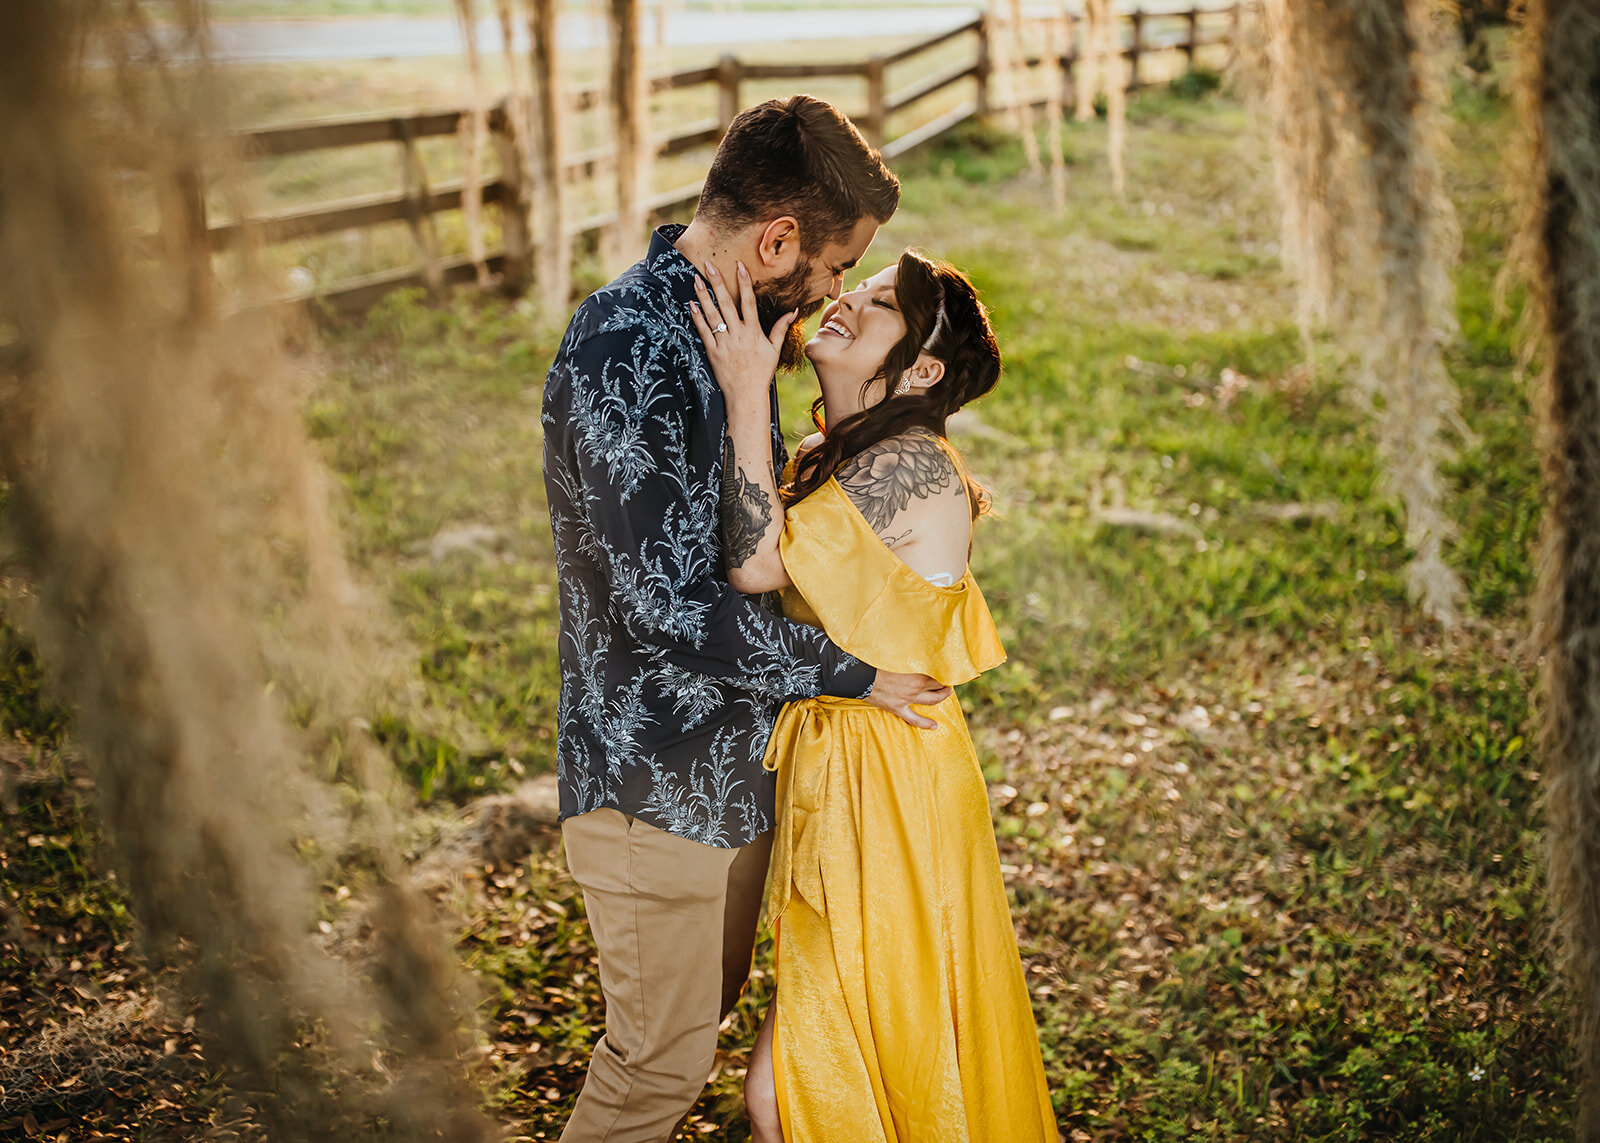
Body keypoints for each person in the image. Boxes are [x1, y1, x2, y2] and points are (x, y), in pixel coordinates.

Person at [541, 95, 955, 1142]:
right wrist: (854, 673)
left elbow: (746, 550)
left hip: (736, 769)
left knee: (701, 1019)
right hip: (653, 779)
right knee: (656, 1067)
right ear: (777, 238)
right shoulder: (622, 347)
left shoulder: (735, 335)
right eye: (826, 269)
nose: (824, 299)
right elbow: (661, 602)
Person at [690, 249, 1057, 1141]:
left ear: (923, 368)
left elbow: (754, 562)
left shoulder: (914, 470)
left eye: (882, 303)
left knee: (804, 1085)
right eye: (858, 286)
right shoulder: (844, 452)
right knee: (831, 1067)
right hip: (843, 768)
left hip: (891, 788)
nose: (847, 300)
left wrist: (746, 386)